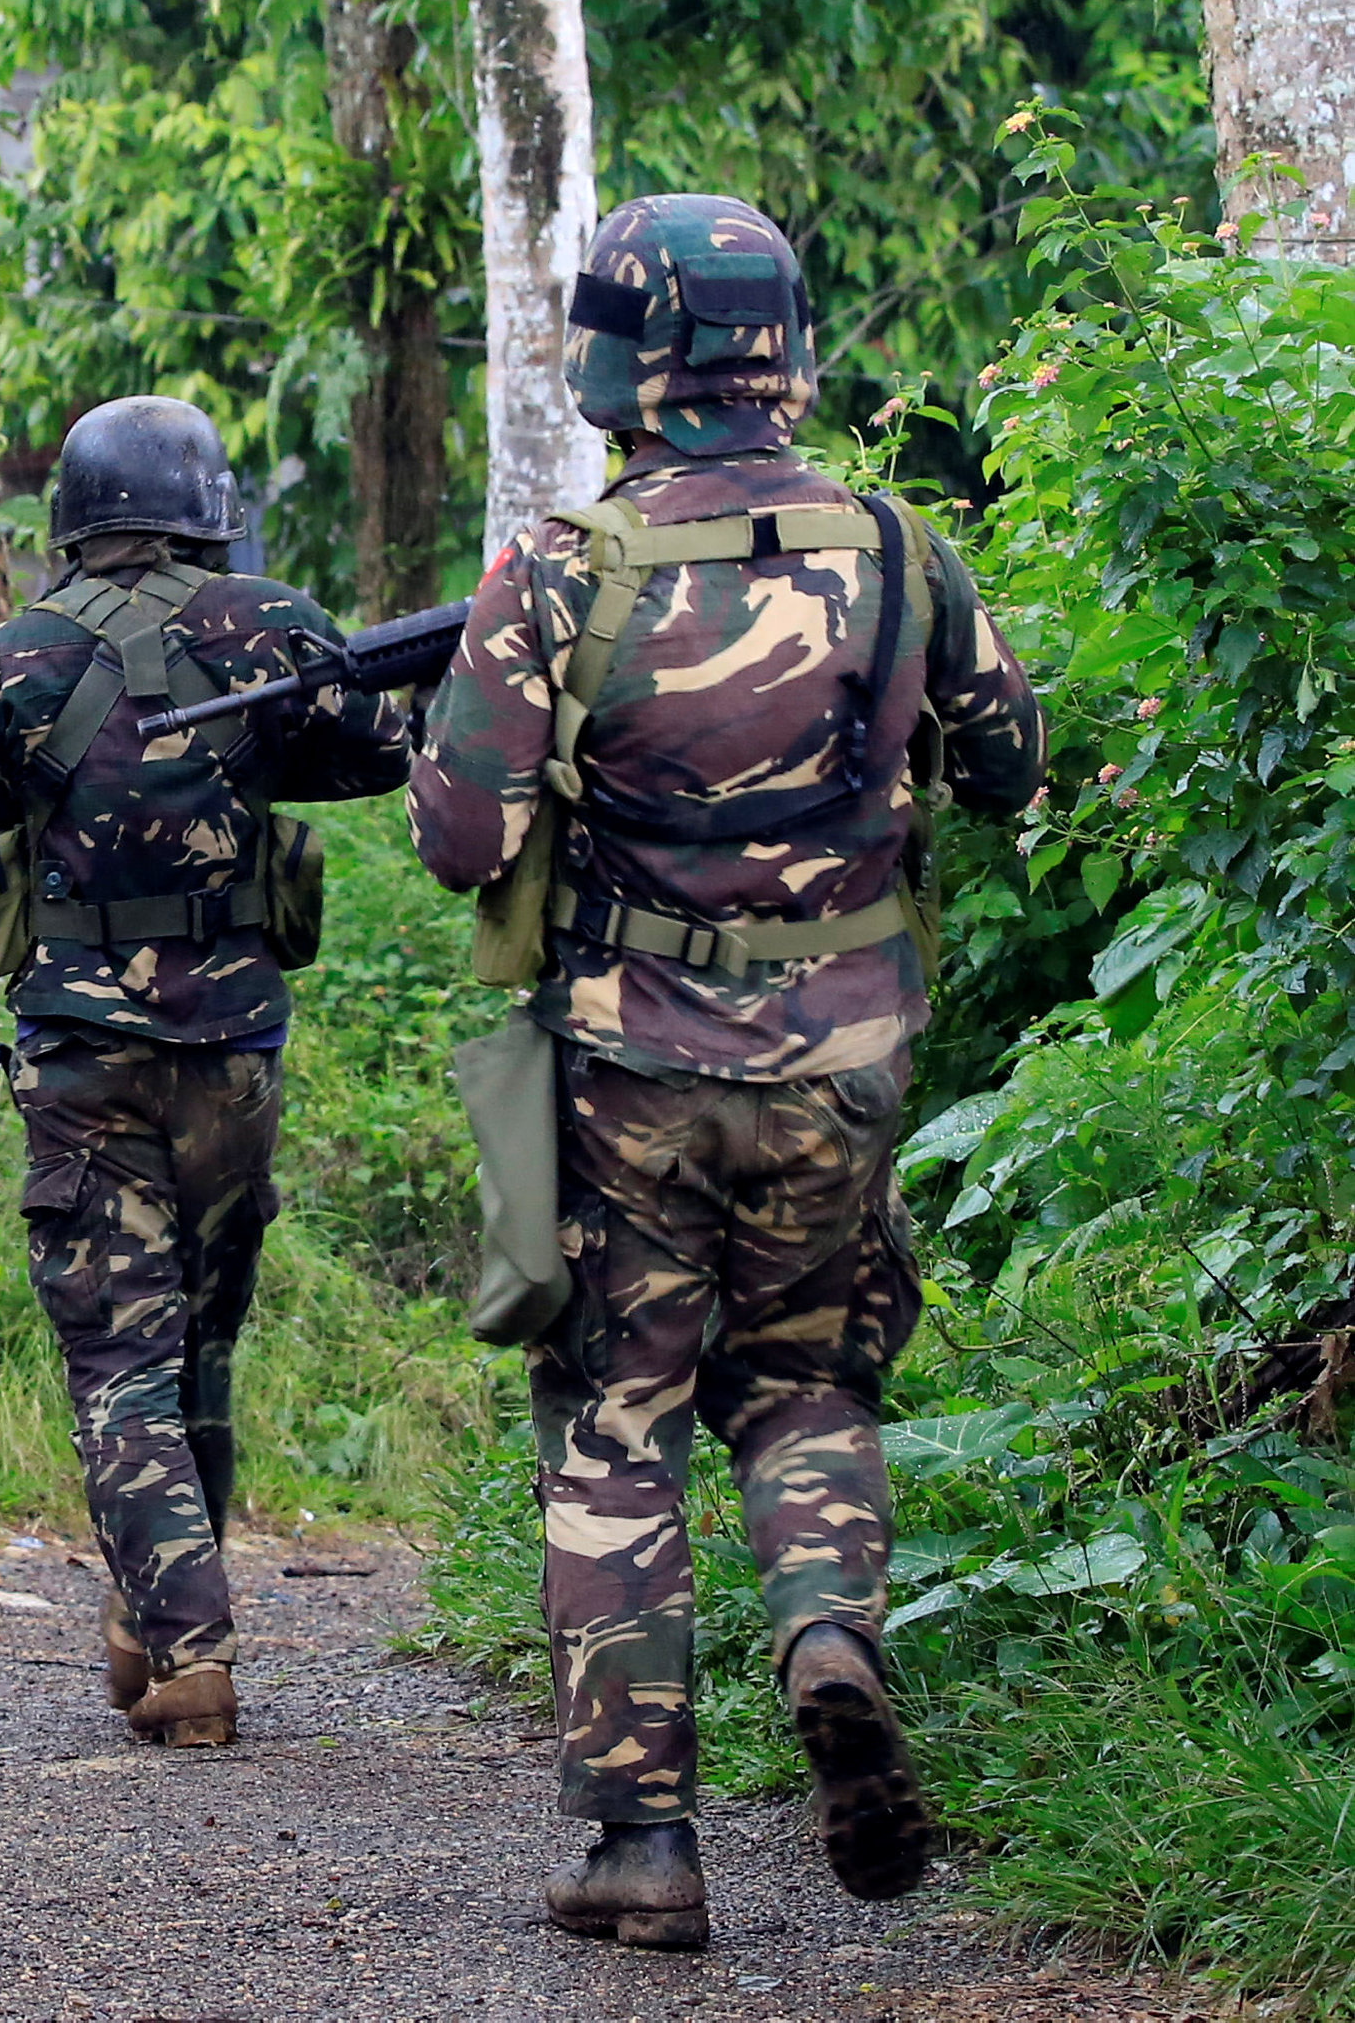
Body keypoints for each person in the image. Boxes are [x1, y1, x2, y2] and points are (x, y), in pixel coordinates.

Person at [407, 196, 1043, 1950]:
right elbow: (1009, 760)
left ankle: (637, 1842)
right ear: (783, 350)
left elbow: (463, 837)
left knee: (618, 1424)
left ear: (623, 362)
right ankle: (826, 1626)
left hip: (626, 1073)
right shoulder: (903, 550)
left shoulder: (560, 566)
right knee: (807, 1385)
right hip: (840, 1069)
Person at [0, 397, 412, 1748]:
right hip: (235, 1051)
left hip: (82, 1058)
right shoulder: (277, 624)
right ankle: (151, 1613)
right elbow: (380, 758)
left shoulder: (11, 656)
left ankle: (188, 1646)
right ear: (203, 503)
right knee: (200, 1338)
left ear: (76, 508)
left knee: (118, 1355)